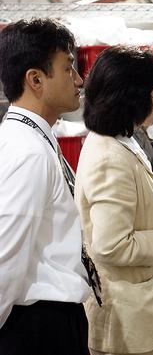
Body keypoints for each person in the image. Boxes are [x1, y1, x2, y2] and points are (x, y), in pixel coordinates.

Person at [75, 46, 153, 355]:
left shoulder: (122, 141)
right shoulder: (108, 156)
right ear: (132, 96)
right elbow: (110, 245)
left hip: (135, 315)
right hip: (122, 321)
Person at [0, 18, 91, 354]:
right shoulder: (28, 152)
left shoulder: (34, 138)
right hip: (35, 326)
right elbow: (5, 258)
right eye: (68, 69)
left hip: (44, 320)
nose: (79, 80)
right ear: (35, 79)